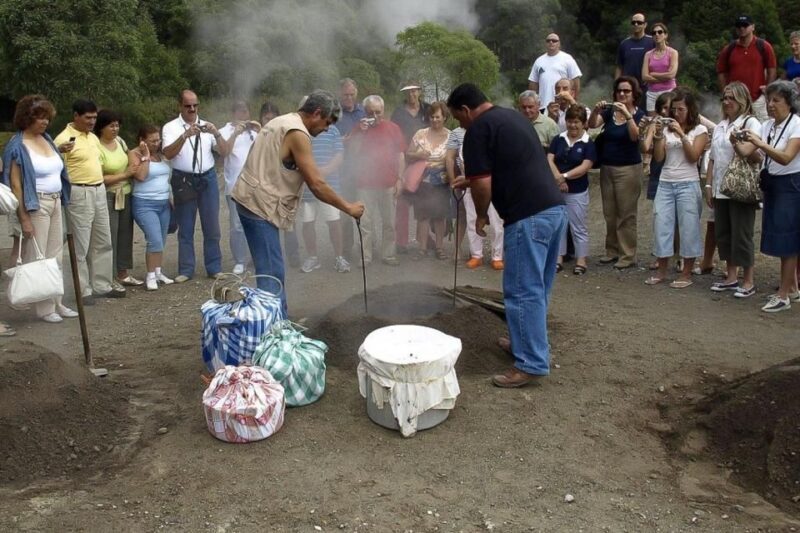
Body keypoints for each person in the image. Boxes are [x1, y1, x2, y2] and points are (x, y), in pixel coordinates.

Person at [447, 83, 566, 388]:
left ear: (464, 110)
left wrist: (483, 215)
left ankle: (530, 364)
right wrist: (470, 179)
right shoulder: (513, 118)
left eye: (458, 119)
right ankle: (523, 343)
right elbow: (508, 166)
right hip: (553, 210)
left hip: (527, 217)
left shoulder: (477, 130)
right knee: (537, 288)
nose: (461, 125)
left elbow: (484, 185)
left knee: (521, 291)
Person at [231, 90, 364, 316]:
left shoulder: (280, 121)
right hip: (259, 205)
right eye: (327, 123)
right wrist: (348, 208)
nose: (327, 129)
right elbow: (317, 184)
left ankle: (277, 320)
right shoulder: (297, 133)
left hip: (250, 199)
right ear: (317, 113)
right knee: (272, 273)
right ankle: (274, 330)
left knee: (271, 270)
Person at [2, 94, 77, 323]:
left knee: (56, 255)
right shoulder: (17, 145)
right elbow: (15, 185)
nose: (44, 122)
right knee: (39, 256)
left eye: (46, 117)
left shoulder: (47, 138)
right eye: (39, 117)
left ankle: (57, 301)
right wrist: (23, 217)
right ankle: (44, 308)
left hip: (55, 200)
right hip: (36, 204)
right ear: (26, 117)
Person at [736, 81, 800, 312]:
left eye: (776, 100)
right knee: (781, 237)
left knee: (788, 239)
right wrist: (736, 140)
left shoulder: (797, 125)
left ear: (789, 103)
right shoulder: (768, 126)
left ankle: (783, 295)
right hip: (773, 183)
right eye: (769, 100)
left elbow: (786, 157)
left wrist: (759, 143)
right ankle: (791, 288)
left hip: (791, 184)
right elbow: (748, 153)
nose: (770, 105)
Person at [54, 99, 125, 302]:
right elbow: (57, 169)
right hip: (79, 191)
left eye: (94, 117)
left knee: (103, 239)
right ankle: (82, 289)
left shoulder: (92, 137)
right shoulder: (64, 139)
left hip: (98, 189)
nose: (92, 121)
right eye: (88, 118)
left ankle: (101, 284)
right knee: (81, 244)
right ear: (76, 116)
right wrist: (60, 152)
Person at [161, 89, 231, 283]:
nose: (192, 109)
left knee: (212, 225)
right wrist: (185, 136)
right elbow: (167, 154)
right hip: (184, 178)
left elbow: (225, 152)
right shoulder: (171, 127)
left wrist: (216, 133)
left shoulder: (206, 125)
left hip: (207, 178)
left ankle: (214, 267)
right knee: (186, 226)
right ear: (180, 106)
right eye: (188, 106)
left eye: (195, 105)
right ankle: (186, 269)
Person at [646, 87, 709, 288]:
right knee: (661, 224)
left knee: (688, 226)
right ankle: (662, 270)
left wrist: (681, 134)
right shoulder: (666, 128)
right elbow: (658, 158)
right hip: (665, 182)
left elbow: (693, 157)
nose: (675, 113)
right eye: (674, 109)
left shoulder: (700, 131)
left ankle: (686, 272)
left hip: (688, 183)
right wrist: (657, 136)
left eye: (681, 109)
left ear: (690, 110)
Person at [705, 82, 762, 298]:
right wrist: (709, 185)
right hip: (721, 187)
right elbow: (712, 158)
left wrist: (737, 143)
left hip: (741, 187)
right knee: (724, 233)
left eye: (731, 98)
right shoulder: (721, 125)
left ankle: (748, 280)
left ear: (742, 100)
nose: (726, 102)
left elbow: (755, 154)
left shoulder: (751, 123)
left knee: (742, 233)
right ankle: (731, 276)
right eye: (724, 97)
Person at [588, 76, 646, 269]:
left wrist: (627, 116)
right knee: (609, 212)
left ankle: (628, 254)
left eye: (626, 91)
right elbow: (592, 125)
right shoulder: (609, 112)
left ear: (634, 94)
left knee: (626, 214)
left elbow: (635, 136)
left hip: (628, 169)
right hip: (607, 167)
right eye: (619, 91)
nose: (622, 94)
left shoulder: (639, 115)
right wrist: (596, 110)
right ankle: (611, 250)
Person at [350, 94, 405, 266]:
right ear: (364, 112)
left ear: (384, 111)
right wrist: (361, 132)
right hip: (365, 183)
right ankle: (365, 256)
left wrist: (400, 179)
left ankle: (388, 255)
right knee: (365, 223)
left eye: (378, 112)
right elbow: (352, 153)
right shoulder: (358, 128)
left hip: (388, 182)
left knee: (389, 222)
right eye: (371, 112)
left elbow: (400, 155)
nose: (375, 116)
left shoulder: (393, 128)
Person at [548, 105, 597, 274]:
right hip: (557, 189)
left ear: (583, 123)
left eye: (576, 122)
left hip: (577, 191)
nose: (573, 126)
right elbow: (550, 159)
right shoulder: (558, 139)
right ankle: (558, 258)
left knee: (578, 226)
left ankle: (581, 259)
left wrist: (564, 176)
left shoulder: (588, 143)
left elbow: (585, 167)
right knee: (558, 225)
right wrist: (558, 178)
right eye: (570, 121)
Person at [95, 109, 141, 289]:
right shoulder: (97, 146)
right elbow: (99, 177)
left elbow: (130, 158)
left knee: (125, 234)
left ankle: (123, 272)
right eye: (110, 125)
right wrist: (125, 175)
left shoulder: (120, 142)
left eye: (117, 125)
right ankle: (108, 276)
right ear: (101, 127)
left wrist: (140, 154)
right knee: (109, 236)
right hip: (109, 194)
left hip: (126, 193)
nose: (115, 129)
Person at [299, 117, 348, 273]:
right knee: (307, 224)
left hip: (329, 186)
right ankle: (312, 258)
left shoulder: (332, 130)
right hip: (307, 187)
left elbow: (339, 156)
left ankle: (339, 258)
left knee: (334, 222)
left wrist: (324, 171)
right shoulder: (300, 131)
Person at [218, 100, 261, 275]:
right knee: (237, 225)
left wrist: (259, 129)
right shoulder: (224, 131)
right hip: (234, 185)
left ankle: (256, 257)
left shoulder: (255, 131)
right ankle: (240, 260)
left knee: (257, 222)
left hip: (256, 185)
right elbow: (224, 152)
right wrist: (236, 133)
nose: (243, 115)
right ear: (233, 113)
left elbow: (269, 149)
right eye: (240, 112)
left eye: (246, 112)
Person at [130, 125, 174, 291]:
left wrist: (171, 197)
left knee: (161, 240)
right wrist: (146, 155)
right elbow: (141, 176)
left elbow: (166, 178)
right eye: (153, 140)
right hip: (144, 203)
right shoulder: (134, 154)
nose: (157, 143)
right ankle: (149, 275)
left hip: (163, 202)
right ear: (142, 141)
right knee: (154, 239)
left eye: (158, 139)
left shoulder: (161, 155)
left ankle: (157, 271)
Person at [406, 102, 452, 260]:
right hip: (423, 180)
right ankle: (422, 249)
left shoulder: (450, 136)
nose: (434, 120)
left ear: (444, 117)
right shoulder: (420, 134)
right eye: (431, 116)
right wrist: (419, 155)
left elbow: (454, 159)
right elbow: (408, 154)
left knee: (440, 216)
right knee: (423, 216)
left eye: (437, 116)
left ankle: (440, 248)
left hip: (442, 181)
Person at [391, 82, 429, 254]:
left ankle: (425, 240)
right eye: (408, 92)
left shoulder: (427, 110)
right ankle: (401, 242)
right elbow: (393, 135)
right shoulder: (398, 113)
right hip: (404, 159)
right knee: (403, 201)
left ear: (419, 92)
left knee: (425, 199)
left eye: (414, 91)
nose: (412, 94)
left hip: (425, 160)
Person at [716, 15, 777, 122]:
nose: (742, 28)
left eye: (745, 25)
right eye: (739, 26)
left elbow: (772, 69)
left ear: (753, 27)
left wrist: (768, 88)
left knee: (761, 127)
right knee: (735, 128)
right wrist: (724, 91)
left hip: (757, 98)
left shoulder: (764, 46)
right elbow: (721, 71)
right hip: (735, 99)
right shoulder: (729, 49)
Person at [261, 103, 300, 268]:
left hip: (282, 186)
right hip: (262, 188)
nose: (270, 121)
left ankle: (293, 256)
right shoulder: (257, 136)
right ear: (261, 119)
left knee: (288, 224)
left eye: (273, 118)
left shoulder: (286, 136)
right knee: (265, 225)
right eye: (266, 118)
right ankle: (268, 258)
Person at [337, 79, 366, 261]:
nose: (349, 98)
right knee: (345, 210)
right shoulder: (334, 113)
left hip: (365, 168)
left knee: (365, 209)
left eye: (352, 94)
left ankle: (365, 248)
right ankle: (346, 249)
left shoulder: (364, 111)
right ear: (340, 94)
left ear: (356, 94)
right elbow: (325, 136)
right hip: (342, 169)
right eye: (346, 95)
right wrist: (342, 141)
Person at [528, 33, 582, 109]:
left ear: (559, 43)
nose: (551, 42)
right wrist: (532, 103)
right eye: (548, 41)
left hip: (562, 105)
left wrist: (574, 100)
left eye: (554, 40)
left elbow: (576, 81)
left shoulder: (567, 59)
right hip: (543, 106)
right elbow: (533, 83)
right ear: (545, 44)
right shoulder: (539, 61)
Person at [641, 23, 678, 115]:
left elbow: (671, 75)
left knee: (669, 118)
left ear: (665, 35)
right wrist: (663, 77)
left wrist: (653, 74)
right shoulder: (648, 54)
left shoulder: (672, 53)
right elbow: (644, 77)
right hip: (652, 93)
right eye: (654, 33)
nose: (657, 34)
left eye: (660, 32)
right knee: (652, 122)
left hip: (669, 91)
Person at [615, 13, 655, 97]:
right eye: (633, 22)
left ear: (645, 25)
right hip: (628, 88)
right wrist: (616, 86)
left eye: (639, 22)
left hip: (647, 87)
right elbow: (619, 67)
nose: (636, 24)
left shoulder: (652, 42)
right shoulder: (624, 44)